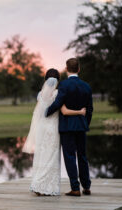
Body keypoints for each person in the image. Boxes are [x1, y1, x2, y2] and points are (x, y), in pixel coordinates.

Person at [23, 68, 86, 196]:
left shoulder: (40, 94)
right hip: (52, 129)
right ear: (58, 80)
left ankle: (37, 184)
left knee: (41, 156)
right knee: (51, 157)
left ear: (46, 79)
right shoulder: (58, 93)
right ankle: (48, 187)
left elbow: (40, 112)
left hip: (41, 128)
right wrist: (80, 111)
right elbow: (63, 110)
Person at [46, 58, 93, 197]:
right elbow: (90, 110)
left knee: (70, 156)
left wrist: (44, 113)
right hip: (81, 126)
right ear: (79, 69)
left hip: (67, 127)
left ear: (66, 69)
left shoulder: (64, 85)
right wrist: (85, 123)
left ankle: (75, 188)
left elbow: (57, 103)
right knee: (83, 156)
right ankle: (87, 186)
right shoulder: (86, 86)